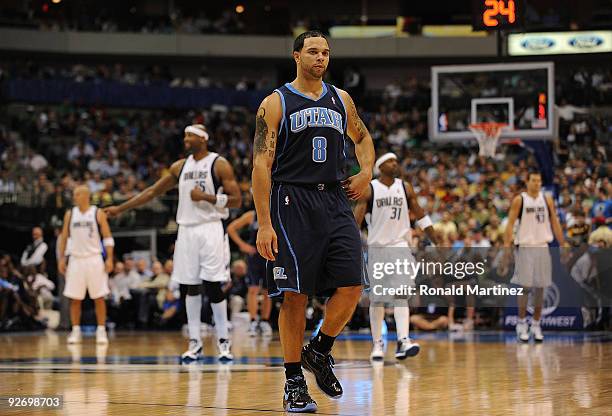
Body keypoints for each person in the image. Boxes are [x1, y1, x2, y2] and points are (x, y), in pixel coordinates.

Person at [252, 30, 374, 413]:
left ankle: (319, 350)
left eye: (325, 52)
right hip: (292, 199)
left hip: (335, 198)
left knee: (353, 286)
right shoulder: (275, 103)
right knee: (294, 296)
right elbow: (260, 164)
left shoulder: (342, 99)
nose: (320, 58)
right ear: (296, 56)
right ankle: (293, 381)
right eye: (313, 52)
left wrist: (366, 170)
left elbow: (364, 138)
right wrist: (264, 222)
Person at [105, 123, 241, 361]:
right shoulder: (180, 167)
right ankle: (195, 341)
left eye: (190, 135)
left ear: (203, 139)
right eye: (185, 135)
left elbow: (237, 200)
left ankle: (223, 341)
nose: (185, 138)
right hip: (186, 229)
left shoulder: (219, 163)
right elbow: (151, 192)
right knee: (190, 286)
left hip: (210, 228)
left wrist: (206, 197)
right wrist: (120, 208)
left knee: (212, 285)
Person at [353, 153, 438, 361]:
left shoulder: (405, 187)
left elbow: (419, 213)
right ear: (380, 167)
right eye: (390, 161)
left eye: (396, 161)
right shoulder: (370, 188)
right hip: (377, 248)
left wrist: (435, 238)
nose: (395, 164)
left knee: (401, 294)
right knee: (378, 299)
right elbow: (356, 221)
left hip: (400, 246)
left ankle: (403, 340)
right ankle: (378, 344)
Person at [503, 170, 568, 342]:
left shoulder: (547, 199)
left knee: (541, 288)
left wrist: (563, 244)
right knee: (524, 287)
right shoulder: (520, 200)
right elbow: (509, 224)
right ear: (527, 181)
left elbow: (554, 221)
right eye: (534, 180)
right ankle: (522, 323)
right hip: (525, 246)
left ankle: (537, 324)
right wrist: (506, 247)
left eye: (539, 181)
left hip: (542, 246)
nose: (537, 183)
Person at [58, 185, 114, 345]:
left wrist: (109, 258)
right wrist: (62, 258)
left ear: (85, 196)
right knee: (74, 299)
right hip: (76, 259)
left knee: (99, 297)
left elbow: (107, 237)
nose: (74, 197)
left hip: (94, 258)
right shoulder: (70, 214)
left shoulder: (97, 213)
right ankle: (75, 331)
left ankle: (101, 330)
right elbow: (64, 238)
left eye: (76, 194)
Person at [227, 210, 272, 336]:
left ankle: (264, 321)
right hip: (254, 257)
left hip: (270, 255)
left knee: (268, 291)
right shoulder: (251, 215)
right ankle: (253, 321)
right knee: (253, 289)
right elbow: (231, 228)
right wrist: (243, 245)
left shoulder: (275, 210)